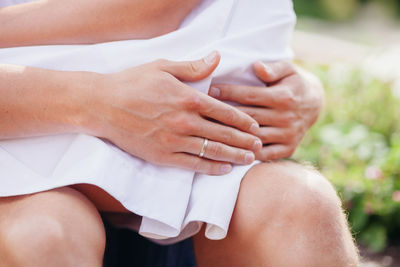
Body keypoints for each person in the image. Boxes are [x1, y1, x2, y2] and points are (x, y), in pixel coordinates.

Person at [0, 0, 359, 266]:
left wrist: (301, 90)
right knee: (42, 237)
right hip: (26, 142)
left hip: (191, 174)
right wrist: (93, 101)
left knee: (302, 207)